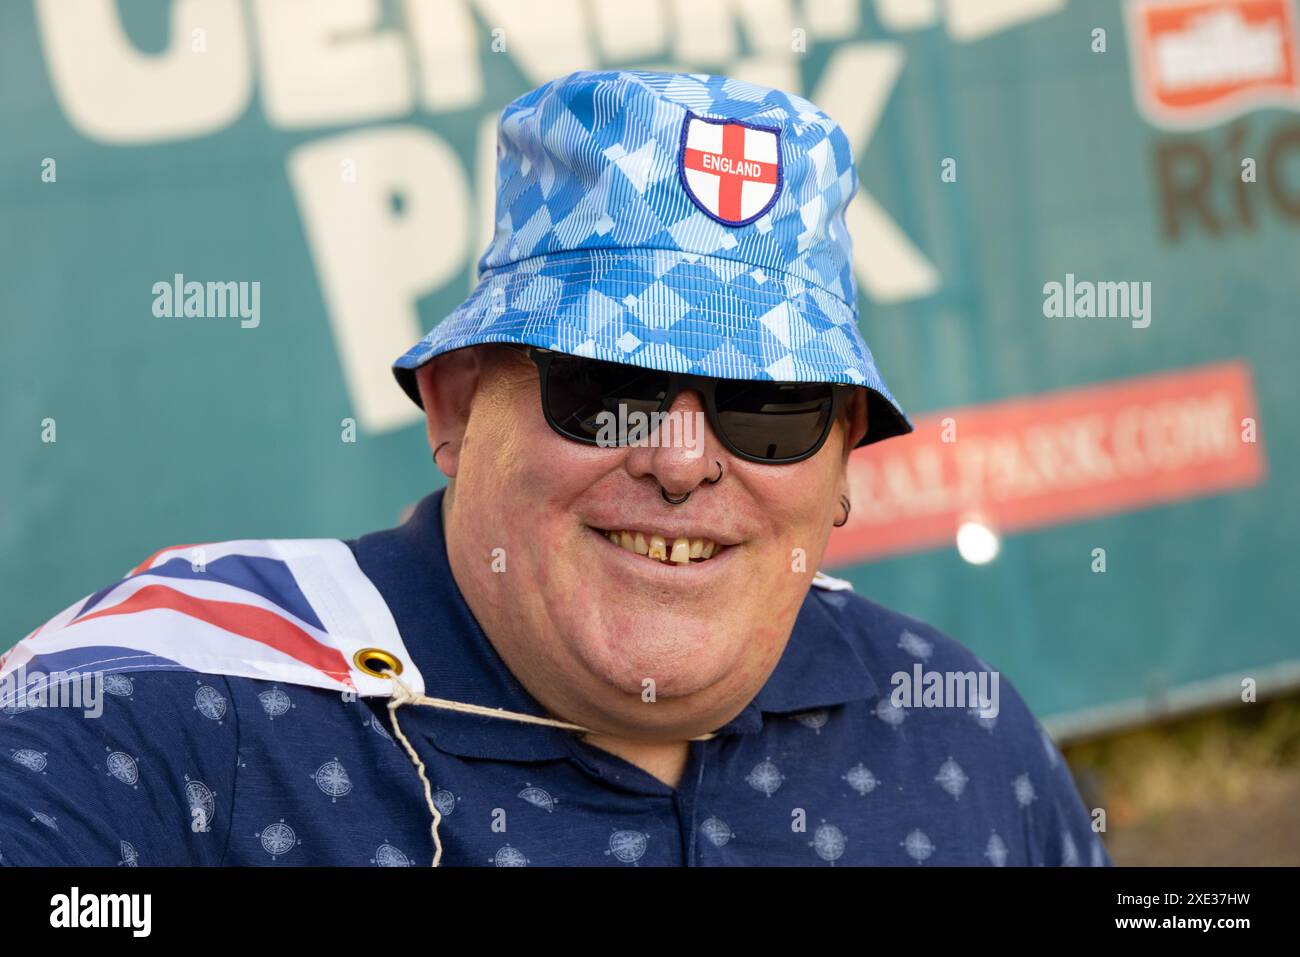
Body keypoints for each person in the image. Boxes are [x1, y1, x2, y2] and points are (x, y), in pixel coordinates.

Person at [0, 69, 1109, 867]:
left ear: (843, 461)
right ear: (455, 403)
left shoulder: (956, 733)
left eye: (767, 408)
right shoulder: (163, 714)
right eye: (608, 387)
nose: (682, 462)